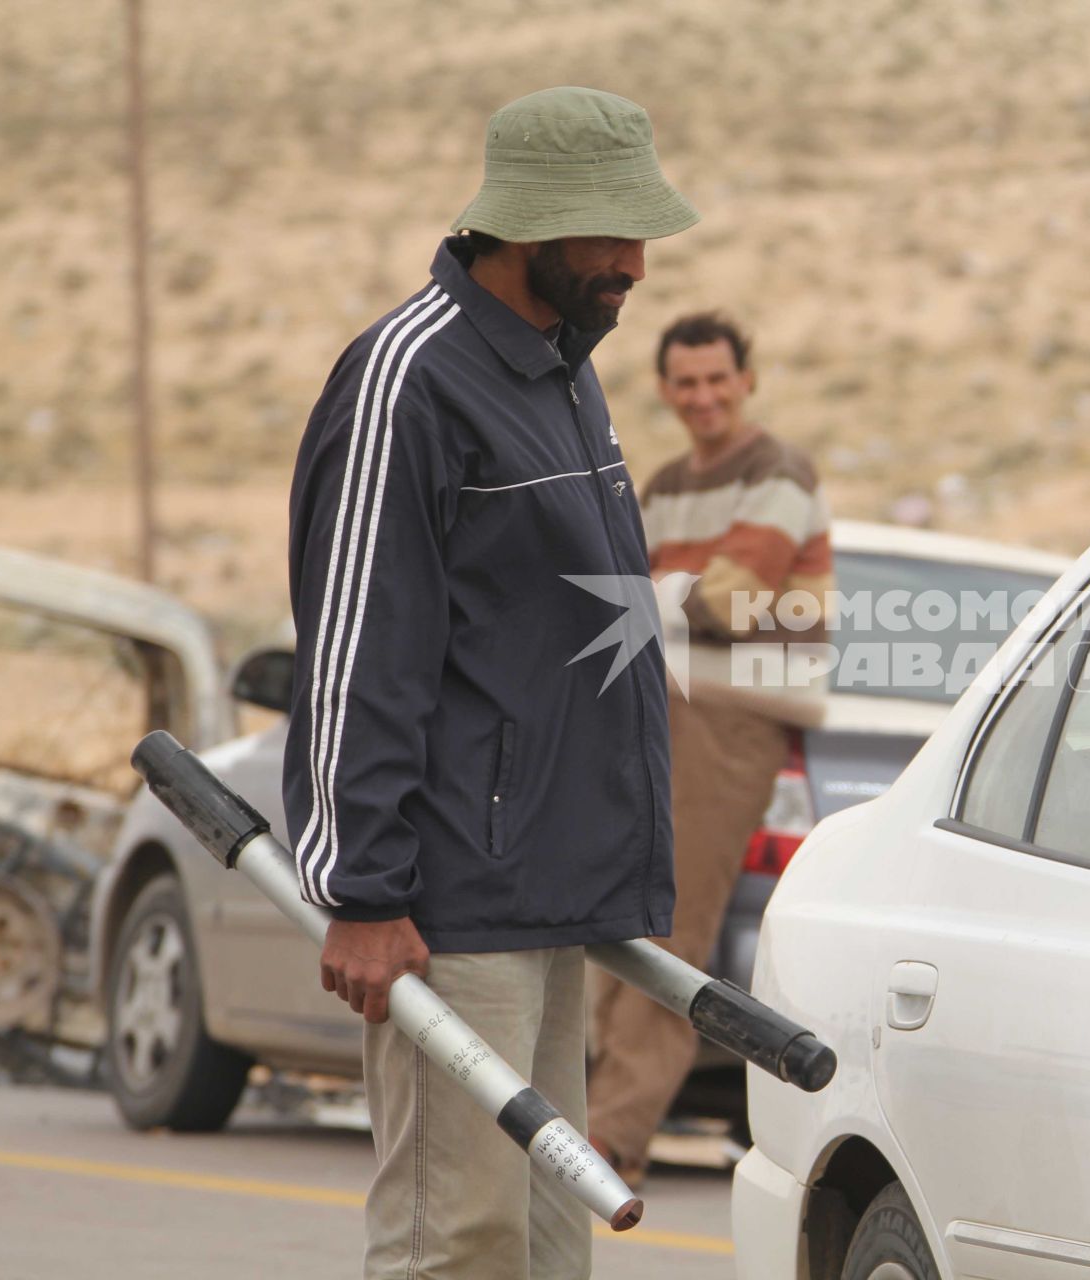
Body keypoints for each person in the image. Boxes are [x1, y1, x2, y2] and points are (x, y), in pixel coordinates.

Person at [282, 87, 696, 1280]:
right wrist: (363, 887)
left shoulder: (566, 373)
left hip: (554, 893)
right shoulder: (406, 380)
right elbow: (363, 644)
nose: (634, 263)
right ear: (526, 229)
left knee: (544, 1240)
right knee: (455, 1242)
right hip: (447, 900)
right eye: (611, 236)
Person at [586, 311, 832, 1184]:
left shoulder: (778, 471)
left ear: (747, 380)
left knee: (673, 920)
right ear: (665, 391)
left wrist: (636, 597)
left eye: (717, 379)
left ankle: (613, 1135)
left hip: (729, 716)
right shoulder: (660, 484)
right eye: (686, 383)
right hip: (653, 703)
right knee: (614, 909)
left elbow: (726, 597)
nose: (703, 397)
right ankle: (589, 1120)